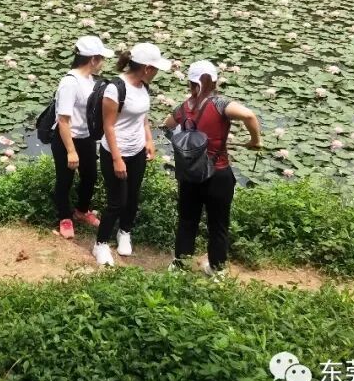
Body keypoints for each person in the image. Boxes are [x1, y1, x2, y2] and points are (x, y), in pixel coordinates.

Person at [163, 60, 262, 276]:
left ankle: (180, 265)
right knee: (218, 224)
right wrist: (255, 141)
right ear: (215, 82)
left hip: (190, 175)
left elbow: (167, 124)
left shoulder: (183, 108)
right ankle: (217, 270)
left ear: (190, 83)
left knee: (187, 220)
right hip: (218, 173)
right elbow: (249, 115)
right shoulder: (220, 104)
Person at [92, 43, 171, 267]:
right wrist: (117, 159)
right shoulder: (115, 89)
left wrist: (148, 140)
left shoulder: (144, 87)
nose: (157, 73)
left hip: (137, 150)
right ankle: (100, 243)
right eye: (156, 69)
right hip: (115, 151)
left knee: (133, 197)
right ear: (147, 68)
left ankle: (124, 231)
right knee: (116, 202)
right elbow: (108, 126)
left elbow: (142, 117)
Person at [52, 36, 113, 239]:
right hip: (67, 138)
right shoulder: (70, 82)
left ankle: (81, 211)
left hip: (86, 137)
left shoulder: (90, 80)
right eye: (101, 58)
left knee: (90, 176)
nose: (103, 63)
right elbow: (63, 120)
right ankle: (64, 217)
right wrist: (71, 151)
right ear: (93, 59)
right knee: (65, 179)